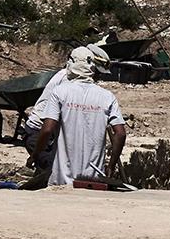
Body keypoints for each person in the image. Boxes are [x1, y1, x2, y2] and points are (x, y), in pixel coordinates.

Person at [29, 48, 128, 188]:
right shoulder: (107, 96)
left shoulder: (60, 92)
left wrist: (34, 155)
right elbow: (121, 133)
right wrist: (111, 165)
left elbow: (47, 130)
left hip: (61, 180)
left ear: (71, 64)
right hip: (92, 182)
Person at [19, 44, 107, 189]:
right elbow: (53, 125)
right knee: (50, 172)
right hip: (40, 132)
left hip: (47, 133)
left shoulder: (72, 78)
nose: (98, 76)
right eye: (98, 72)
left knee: (49, 172)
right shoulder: (69, 80)